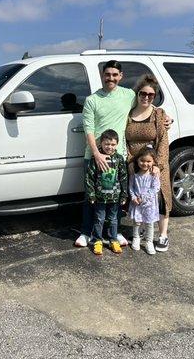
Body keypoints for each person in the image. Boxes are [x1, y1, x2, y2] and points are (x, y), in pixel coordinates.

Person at [75, 60, 135, 248]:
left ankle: (113, 234)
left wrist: (163, 115)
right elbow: (89, 129)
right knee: (91, 196)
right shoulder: (92, 100)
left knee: (116, 198)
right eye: (107, 74)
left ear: (121, 76)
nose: (111, 78)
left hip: (118, 157)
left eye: (115, 75)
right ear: (102, 76)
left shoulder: (129, 95)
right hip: (94, 157)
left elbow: (145, 106)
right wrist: (96, 154)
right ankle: (86, 233)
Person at [125, 74, 171, 252]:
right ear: (137, 94)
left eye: (150, 95)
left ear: (154, 97)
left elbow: (163, 141)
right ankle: (142, 232)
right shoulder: (128, 114)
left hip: (155, 166)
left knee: (159, 199)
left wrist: (157, 166)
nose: (146, 97)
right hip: (135, 165)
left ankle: (163, 235)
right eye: (143, 93)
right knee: (138, 199)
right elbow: (124, 140)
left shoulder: (158, 114)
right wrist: (130, 162)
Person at [85, 129, 128, 255]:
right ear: (102, 143)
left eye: (113, 144)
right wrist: (91, 194)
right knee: (99, 218)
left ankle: (113, 239)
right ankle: (97, 240)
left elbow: (123, 177)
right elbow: (89, 177)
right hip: (100, 197)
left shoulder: (119, 159)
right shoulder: (96, 159)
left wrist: (124, 194)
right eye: (107, 144)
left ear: (117, 144)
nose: (110, 147)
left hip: (115, 197)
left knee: (113, 219)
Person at [128, 145, 161, 255]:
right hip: (137, 203)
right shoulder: (135, 174)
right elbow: (131, 187)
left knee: (149, 223)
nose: (145, 163)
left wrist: (144, 198)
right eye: (142, 160)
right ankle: (136, 238)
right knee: (137, 222)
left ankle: (149, 241)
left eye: (148, 161)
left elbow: (155, 188)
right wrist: (133, 197)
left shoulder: (153, 174)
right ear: (138, 160)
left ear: (153, 161)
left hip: (149, 204)